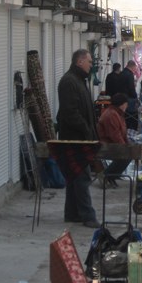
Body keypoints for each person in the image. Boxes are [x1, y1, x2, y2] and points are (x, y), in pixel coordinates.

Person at [57, 49, 100, 228]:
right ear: (79, 62)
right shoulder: (69, 81)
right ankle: (87, 215)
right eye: (89, 62)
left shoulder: (79, 81)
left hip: (81, 137)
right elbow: (70, 112)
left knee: (75, 177)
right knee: (81, 177)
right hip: (75, 138)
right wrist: (85, 129)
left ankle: (72, 213)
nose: (91, 66)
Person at [96, 92, 131, 180]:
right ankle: (106, 175)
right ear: (121, 105)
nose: (126, 107)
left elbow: (123, 134)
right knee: (125, 156)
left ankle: (112, 176)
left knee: (130, 154)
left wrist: (129, 147)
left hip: (112, 145)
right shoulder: (111, 115)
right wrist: (125, 148)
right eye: (126, 104)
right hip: (106, 146)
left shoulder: (117, 114)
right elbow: (115, 135)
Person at [119, 60, 139, 130]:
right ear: (133, 67)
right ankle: (132, 130)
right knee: (132, 117)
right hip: (129, 98)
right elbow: (131, 88)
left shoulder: (121, 74)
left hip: (121, 98)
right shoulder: (130, 75)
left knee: (124, 116)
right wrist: (135, 96)